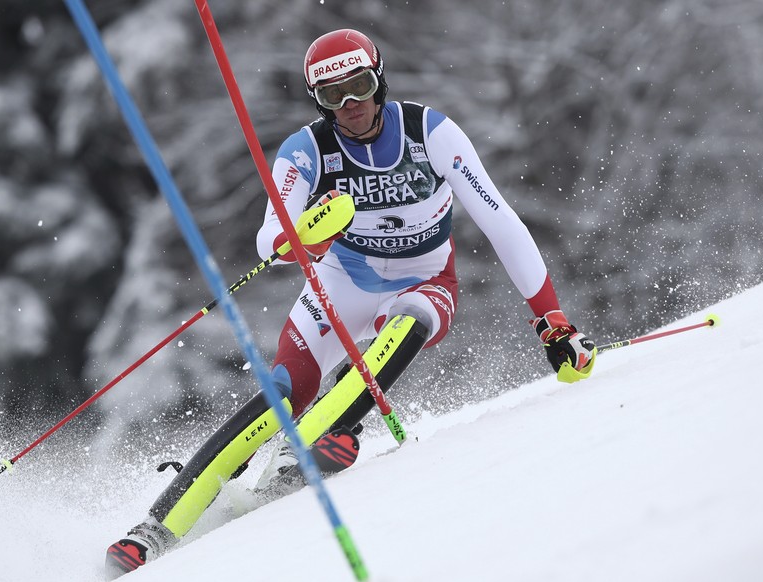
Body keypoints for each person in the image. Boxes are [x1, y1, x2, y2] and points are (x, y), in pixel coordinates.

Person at [104, 28, 596, 579]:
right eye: (332, 96)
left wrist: (551, 318)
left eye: (359, 86)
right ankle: (154, 529)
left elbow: (500, 221)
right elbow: (270, 237)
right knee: (281, 395)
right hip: (341, 283)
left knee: (409, 321)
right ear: (317, 101)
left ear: (379, 78)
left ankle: (316, 442)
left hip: (425, 279)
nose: (351, 106)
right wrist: (299, 240)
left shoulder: (431, 133)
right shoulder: (307, 150)